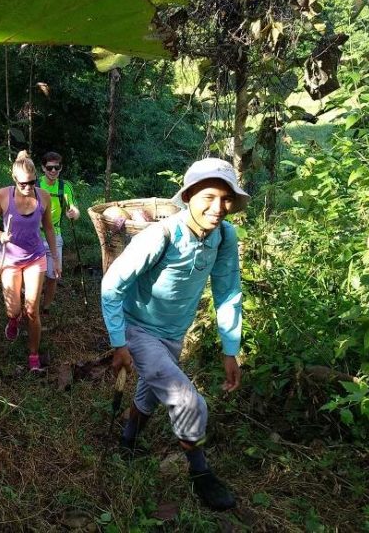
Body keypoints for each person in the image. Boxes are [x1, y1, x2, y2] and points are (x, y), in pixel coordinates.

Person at [100, 157, 249, 511]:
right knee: (186, 400)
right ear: (189, 195)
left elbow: (228, 290)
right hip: (138, 328)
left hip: (173, 333)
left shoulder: (224, 236)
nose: (218, 209)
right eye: (208, 197)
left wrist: (231, 348)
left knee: (151, 392)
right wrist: (119, 343)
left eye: (226, 200)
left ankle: (128, 441)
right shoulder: (161, 235)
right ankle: (200, 474)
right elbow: (112, 286)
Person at [0, 151, 61, 372]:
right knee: (14, 309)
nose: (28, 187)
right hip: (10, 259)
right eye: (23, 183)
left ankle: (33, 354)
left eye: (32, 182)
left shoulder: (43, 196)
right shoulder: (3, 196)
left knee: (32, 311)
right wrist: (0, 235)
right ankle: (12, 320)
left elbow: (48, 227)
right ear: (14, 180)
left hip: (36, 257)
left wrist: (55, 258)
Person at [38, 151, 80, 317]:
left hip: (55, 235)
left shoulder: (65, 186)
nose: (53, 171)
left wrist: (73, 213)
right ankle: (32, 307)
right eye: (50, 168)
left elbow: (75, 210)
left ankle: (46, 308)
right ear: (43, 168)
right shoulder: (35, 184)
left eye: (57, 167)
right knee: (37, 276)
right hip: (36, 236)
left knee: (53, 276)